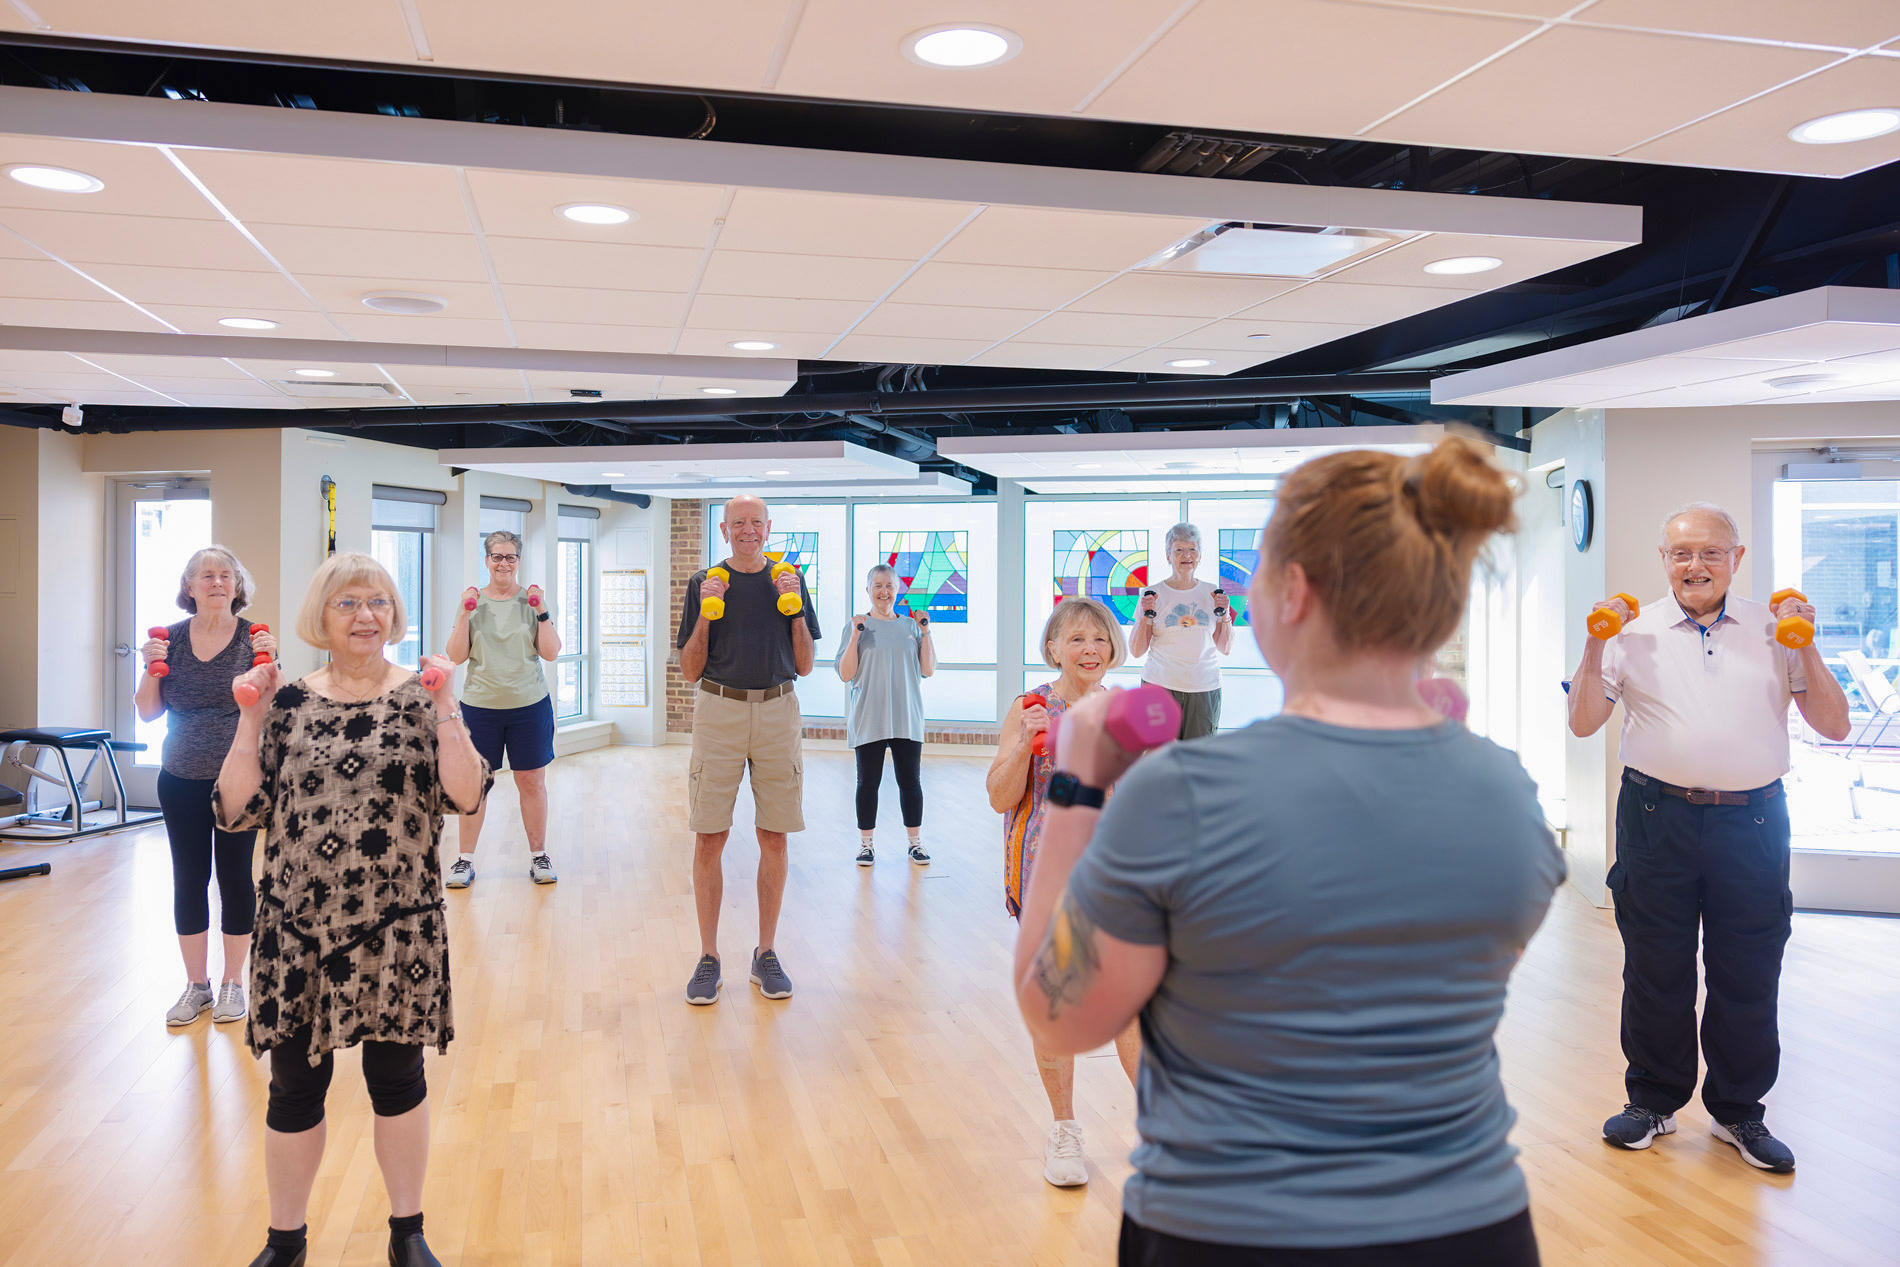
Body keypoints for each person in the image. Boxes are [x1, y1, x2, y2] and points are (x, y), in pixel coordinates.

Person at [1014, 438, 1565, 1264]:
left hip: (1230, 1226)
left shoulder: (1184, 793)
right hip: (1470, 1225)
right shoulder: (1510, 796)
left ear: (1295, 592)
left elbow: (1060, 1012)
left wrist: (1077, 792)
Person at [217, 552, 489, 1267]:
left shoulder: (420, 697)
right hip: (297, 931)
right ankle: (286, 1240)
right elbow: (236, 808)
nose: (365, 615)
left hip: (396, 929)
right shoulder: (287, 701)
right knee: (294, 1087)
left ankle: (407, 1232)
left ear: (393, 614)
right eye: (347, 604)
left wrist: (449, 706)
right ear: (322, 618)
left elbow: (466, 796)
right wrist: (248, 720)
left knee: (397, 1081)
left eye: (376, 601)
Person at [1568, 503, 1850, 1174]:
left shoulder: (1776, 626)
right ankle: (1653, 1100)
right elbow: (1582, 723)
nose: (1694, 565)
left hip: (1753, 820)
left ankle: (1738, 1111)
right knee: (1655, 964)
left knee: (1749, 966)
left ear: (1737, 558)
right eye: (1681, 553)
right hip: (1654, 816)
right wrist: (1593, 643)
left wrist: (1805, 641)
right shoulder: (1630, 629)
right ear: (1663, 558)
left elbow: (1835, 725)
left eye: (1710, 553)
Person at [987, 596, 1141, 1190]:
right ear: (1052, 648)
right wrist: (1026, 746)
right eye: (1076, 639)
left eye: (1100, 639)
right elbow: (1000, 797)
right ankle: (1064, 1129)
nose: (1090, 650)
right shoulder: (1030, 708)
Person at [675, 495, 819, 1005]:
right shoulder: (702, 583)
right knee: (709, 835)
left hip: (779, 709)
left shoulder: (790, 580)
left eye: (756, 522)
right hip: (719, 709)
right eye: (738, 523)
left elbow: (805, 663)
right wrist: (708, 615)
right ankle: (709, 958)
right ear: (724, 528)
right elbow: (690, 669)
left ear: (769, 527)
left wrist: (796, 606)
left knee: (774, 836)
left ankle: (766, 953)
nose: (748, 530)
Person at [137, 545, 275, 1028]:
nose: (217, 582)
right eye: (206, 576)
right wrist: (147, 664)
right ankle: (197, 986)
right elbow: (149, 711)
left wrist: (269, 673)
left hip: (238, 777)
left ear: (237, 588)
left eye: (225, 576)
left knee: (235, 878)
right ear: (189, 587)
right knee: (188, 878)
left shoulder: (255, 640)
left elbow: (269, 711)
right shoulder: (167, 641)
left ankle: (233, 982)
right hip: (178, 776)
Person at [443, 529, 561, 888]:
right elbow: (455, 656)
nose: (503, 563)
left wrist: (541, 611)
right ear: (487, 561)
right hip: (480, 707)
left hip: (528, 705)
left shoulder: (532, 602)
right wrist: (465, 613)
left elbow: (552, 651)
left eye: (510, 557)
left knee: (532, 782)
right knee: (475, 785)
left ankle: (539, 856)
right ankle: (464, 861)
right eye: (497, 557)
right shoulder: (472, 602)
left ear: (518, 561)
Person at [837, 564, 937, 866]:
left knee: (911, 782)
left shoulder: (911, 626)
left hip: (906, 716)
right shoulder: (858, 626)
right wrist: (855, 636)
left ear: (898, 589)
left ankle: (914, 843)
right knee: (868, 783)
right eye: (877, 585)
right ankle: (866, 845)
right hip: (869, 716)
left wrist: (926, 631)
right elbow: (846, 674)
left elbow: (928, 669)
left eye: (889, 586)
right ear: (868, 589)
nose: (884, 592)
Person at [1130, 523, 1234, 740]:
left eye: (1192, 549)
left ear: (1200, 555)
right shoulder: (1152, 595)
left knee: (1199, 757)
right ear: (1168, 556)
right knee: (1160, 756)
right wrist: (1145, 617)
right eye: (1179, 550)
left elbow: (1224, 648)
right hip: (1159, 686)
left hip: (1204, 687)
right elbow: (1137, 650)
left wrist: (1225, 615)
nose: (1186, 555)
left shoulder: (1212, 593)